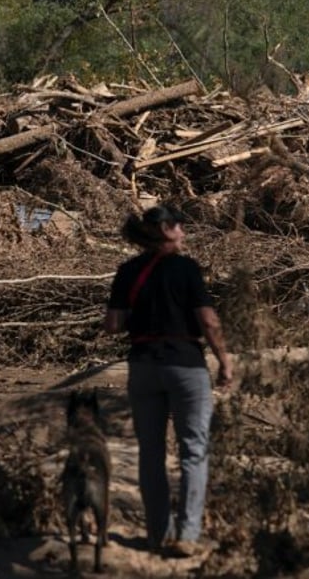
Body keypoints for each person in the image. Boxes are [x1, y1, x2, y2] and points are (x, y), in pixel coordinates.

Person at [104, 204, 233, 557]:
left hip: (143, 365)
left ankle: (157, 533)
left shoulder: (127, 271)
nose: (184, 232)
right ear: (164, 229)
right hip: (185, 364)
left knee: (151, 453)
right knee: (194, 450)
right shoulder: (186, 269)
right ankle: (188, 535)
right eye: (179, 225)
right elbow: (208, 320)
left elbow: (113, 324)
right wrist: (223, 360)